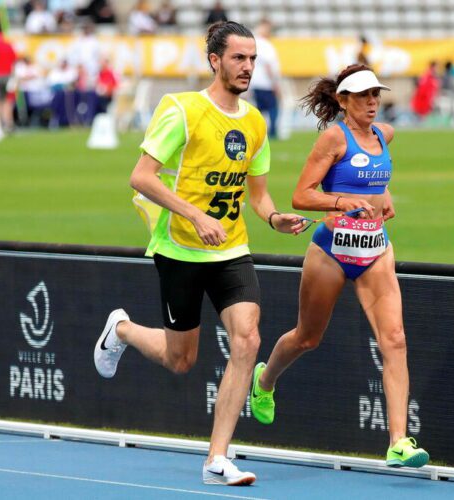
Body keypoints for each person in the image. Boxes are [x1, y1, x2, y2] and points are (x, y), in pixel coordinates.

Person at [93, 21, 304, 486]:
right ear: (215, 60)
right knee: (181, 359)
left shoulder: (254, 121)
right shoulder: (182, 110)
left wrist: (274, 218)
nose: (248, 67)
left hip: (231, 249)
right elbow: (142, 176)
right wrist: (195, 216)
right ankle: (122, 329)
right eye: (238, 58)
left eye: (252, 59)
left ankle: (217, 459)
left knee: (247, 339)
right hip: (180, 249)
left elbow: (259, 195)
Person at [249, 64, 430, 469]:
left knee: (395, 340)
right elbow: (301, 195)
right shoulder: (335, 137)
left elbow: (373, 176)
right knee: (306, 338)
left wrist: (384, 197)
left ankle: (398, 441)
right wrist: (340, 202)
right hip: (331, 250)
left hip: (376, 250)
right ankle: (264, 380)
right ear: (343, 101)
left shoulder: (385, 134)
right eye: (363, 96)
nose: (372, 102)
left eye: (376, 95)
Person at [250, 17, 281, 139]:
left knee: (259, 108)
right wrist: (275, 83)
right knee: (273, 107)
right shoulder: (265, 44)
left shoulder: (255, 42)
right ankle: (272, 132)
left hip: (256, 82)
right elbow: (269, 66)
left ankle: (258, 132)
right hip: (265, 83)